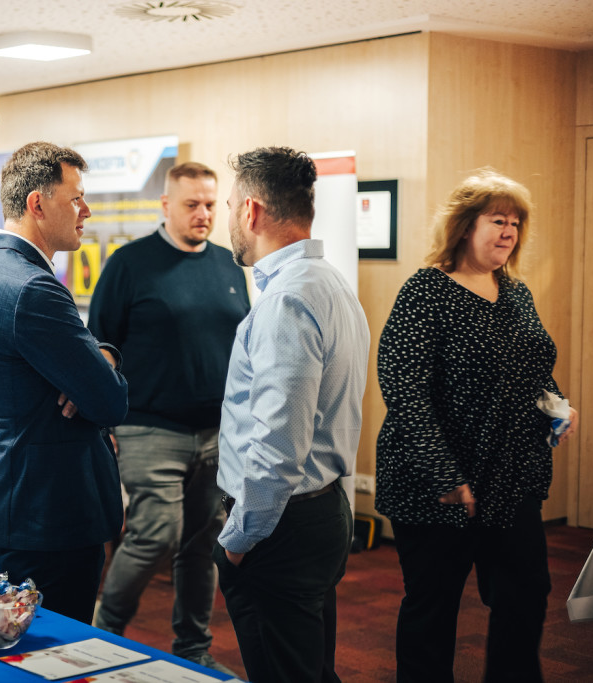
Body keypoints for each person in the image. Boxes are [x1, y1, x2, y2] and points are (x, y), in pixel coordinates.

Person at [375, 169, 578, 683]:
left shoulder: (515, 292)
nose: (508, 232)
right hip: (437, 482)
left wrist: (556, 404)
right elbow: (402, 387)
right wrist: (445, 476)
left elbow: (532, 368)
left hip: (510, 477)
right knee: (433, 605)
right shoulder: (427, 291)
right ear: (466, 226)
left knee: (526, 594)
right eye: (497, 220)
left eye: (515, 223)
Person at [0, 141, 129, 623]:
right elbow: (111, 401)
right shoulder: (32, 287)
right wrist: (104, 365)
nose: (86, 211)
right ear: (38, 203)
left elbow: (85, 366)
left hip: (10, 501)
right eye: (76, 198)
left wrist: (103, 354)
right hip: (48, 516)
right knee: (53, 657)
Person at [215, 146, 369, 682]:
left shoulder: (287, 300)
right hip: (318, 514)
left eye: (231, 205)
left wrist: (237, 541)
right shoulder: (330, 285)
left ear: (252, 212)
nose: (228, 218)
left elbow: (278, 447)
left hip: (278, 527)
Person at [88, 162, 249, 674]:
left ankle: (193, 647)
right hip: (148, 423)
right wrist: (103, 419)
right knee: (156, 531)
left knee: (203, 543)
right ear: (165, 205)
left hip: (216, 429)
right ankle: (102, 630)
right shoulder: (130, 263)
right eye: (191, 204)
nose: (203, 214)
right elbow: (101, 345)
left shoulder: (228, 264)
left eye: (209, 204)